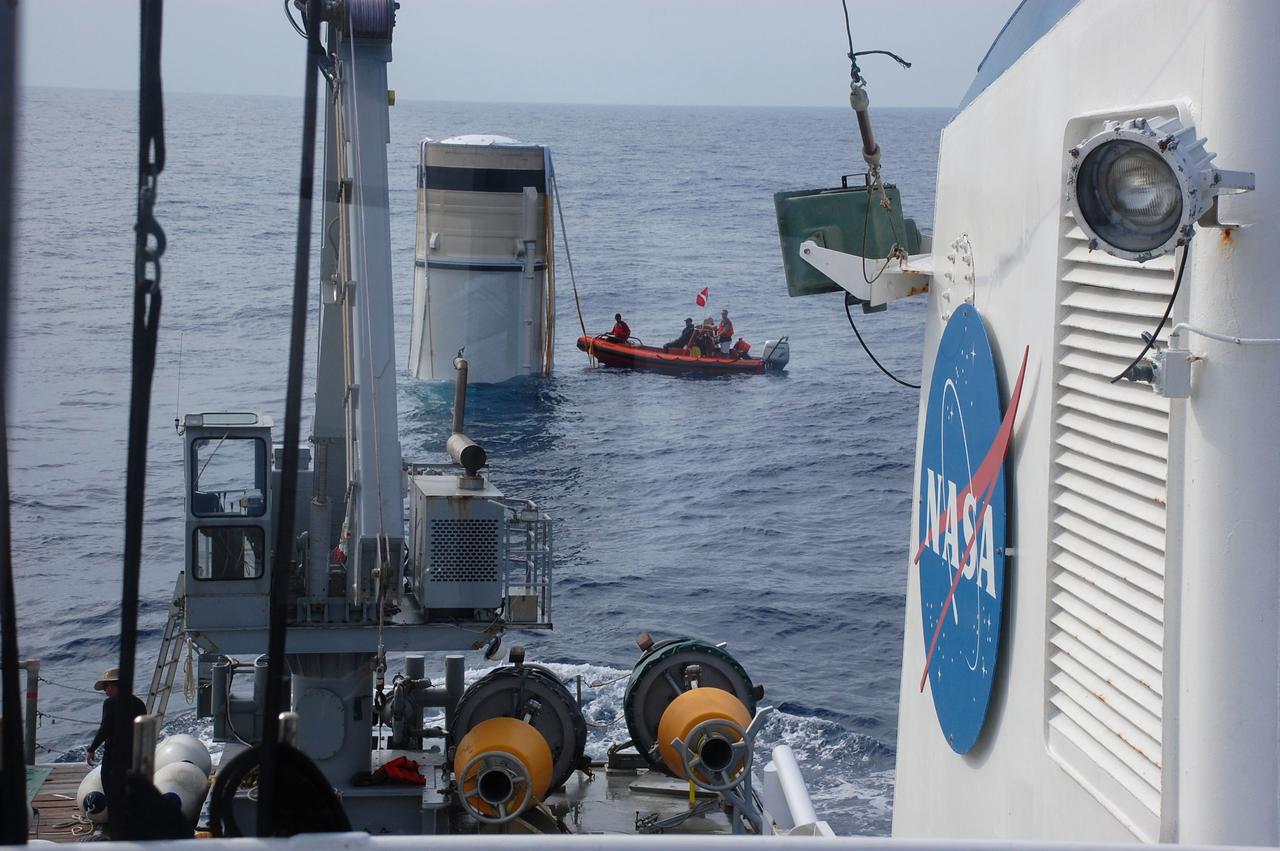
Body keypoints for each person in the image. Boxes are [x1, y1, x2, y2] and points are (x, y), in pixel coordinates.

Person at [86, 666, 147, 770]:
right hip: (135, 755)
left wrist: (92, 749)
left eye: (105, 686)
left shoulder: (110, 703)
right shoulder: (139, 703)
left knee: (109, 783)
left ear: (113, 686)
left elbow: (105, 728)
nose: (106, 691)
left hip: (115, 756)